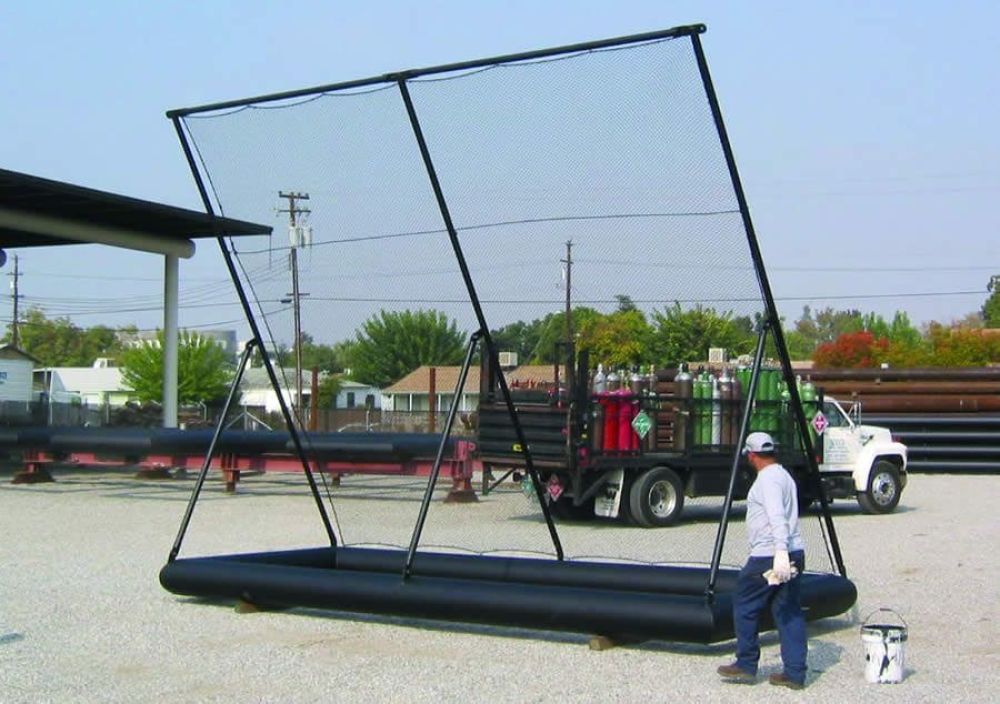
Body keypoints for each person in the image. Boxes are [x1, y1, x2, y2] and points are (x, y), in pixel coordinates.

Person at [717, 431, 807, 689]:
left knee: (744, 603)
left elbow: (777, 516)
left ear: (751, 454)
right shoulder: (784, 476)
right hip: (794, 551)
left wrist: (780, 552)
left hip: (769, 555)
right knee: (788, 611)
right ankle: (795, 673)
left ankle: (745, 664)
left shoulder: (767, 480)